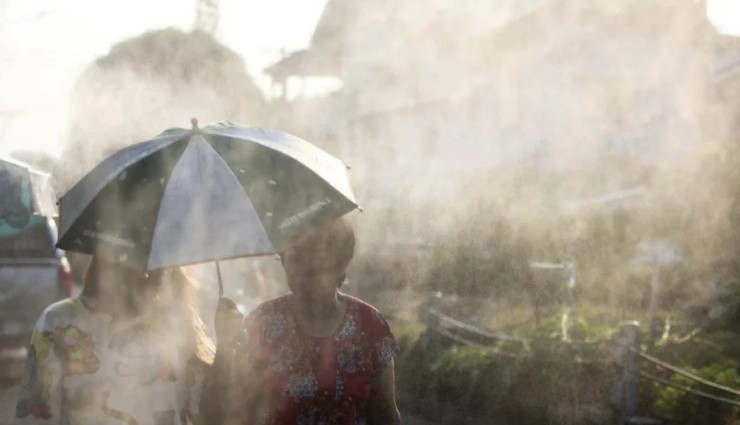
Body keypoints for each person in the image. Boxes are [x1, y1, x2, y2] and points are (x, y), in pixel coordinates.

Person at [13, 257, 233, 424]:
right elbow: (36, 414)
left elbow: (199, 412)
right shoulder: (60, 321)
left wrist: (223, 355)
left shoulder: (176, 322)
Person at [231, 218, 402, 425]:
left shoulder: (370, 325)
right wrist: (224, 348)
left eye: (315, 263)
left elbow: (385, 414)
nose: (303, 272)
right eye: (295, 258)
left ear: (340, 265)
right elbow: (239, 409)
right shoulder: (262, 323)